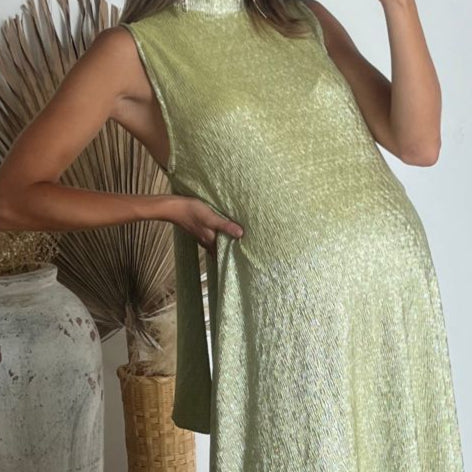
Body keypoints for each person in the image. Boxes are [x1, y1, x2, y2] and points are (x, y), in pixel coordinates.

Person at [0, 0, 465, 470]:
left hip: (398, 293)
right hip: (300, 314)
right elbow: (13, 198)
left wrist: (399, 6)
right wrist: (163, 207)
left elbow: (419, 144)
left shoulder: (300, 14)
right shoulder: (132, 51)